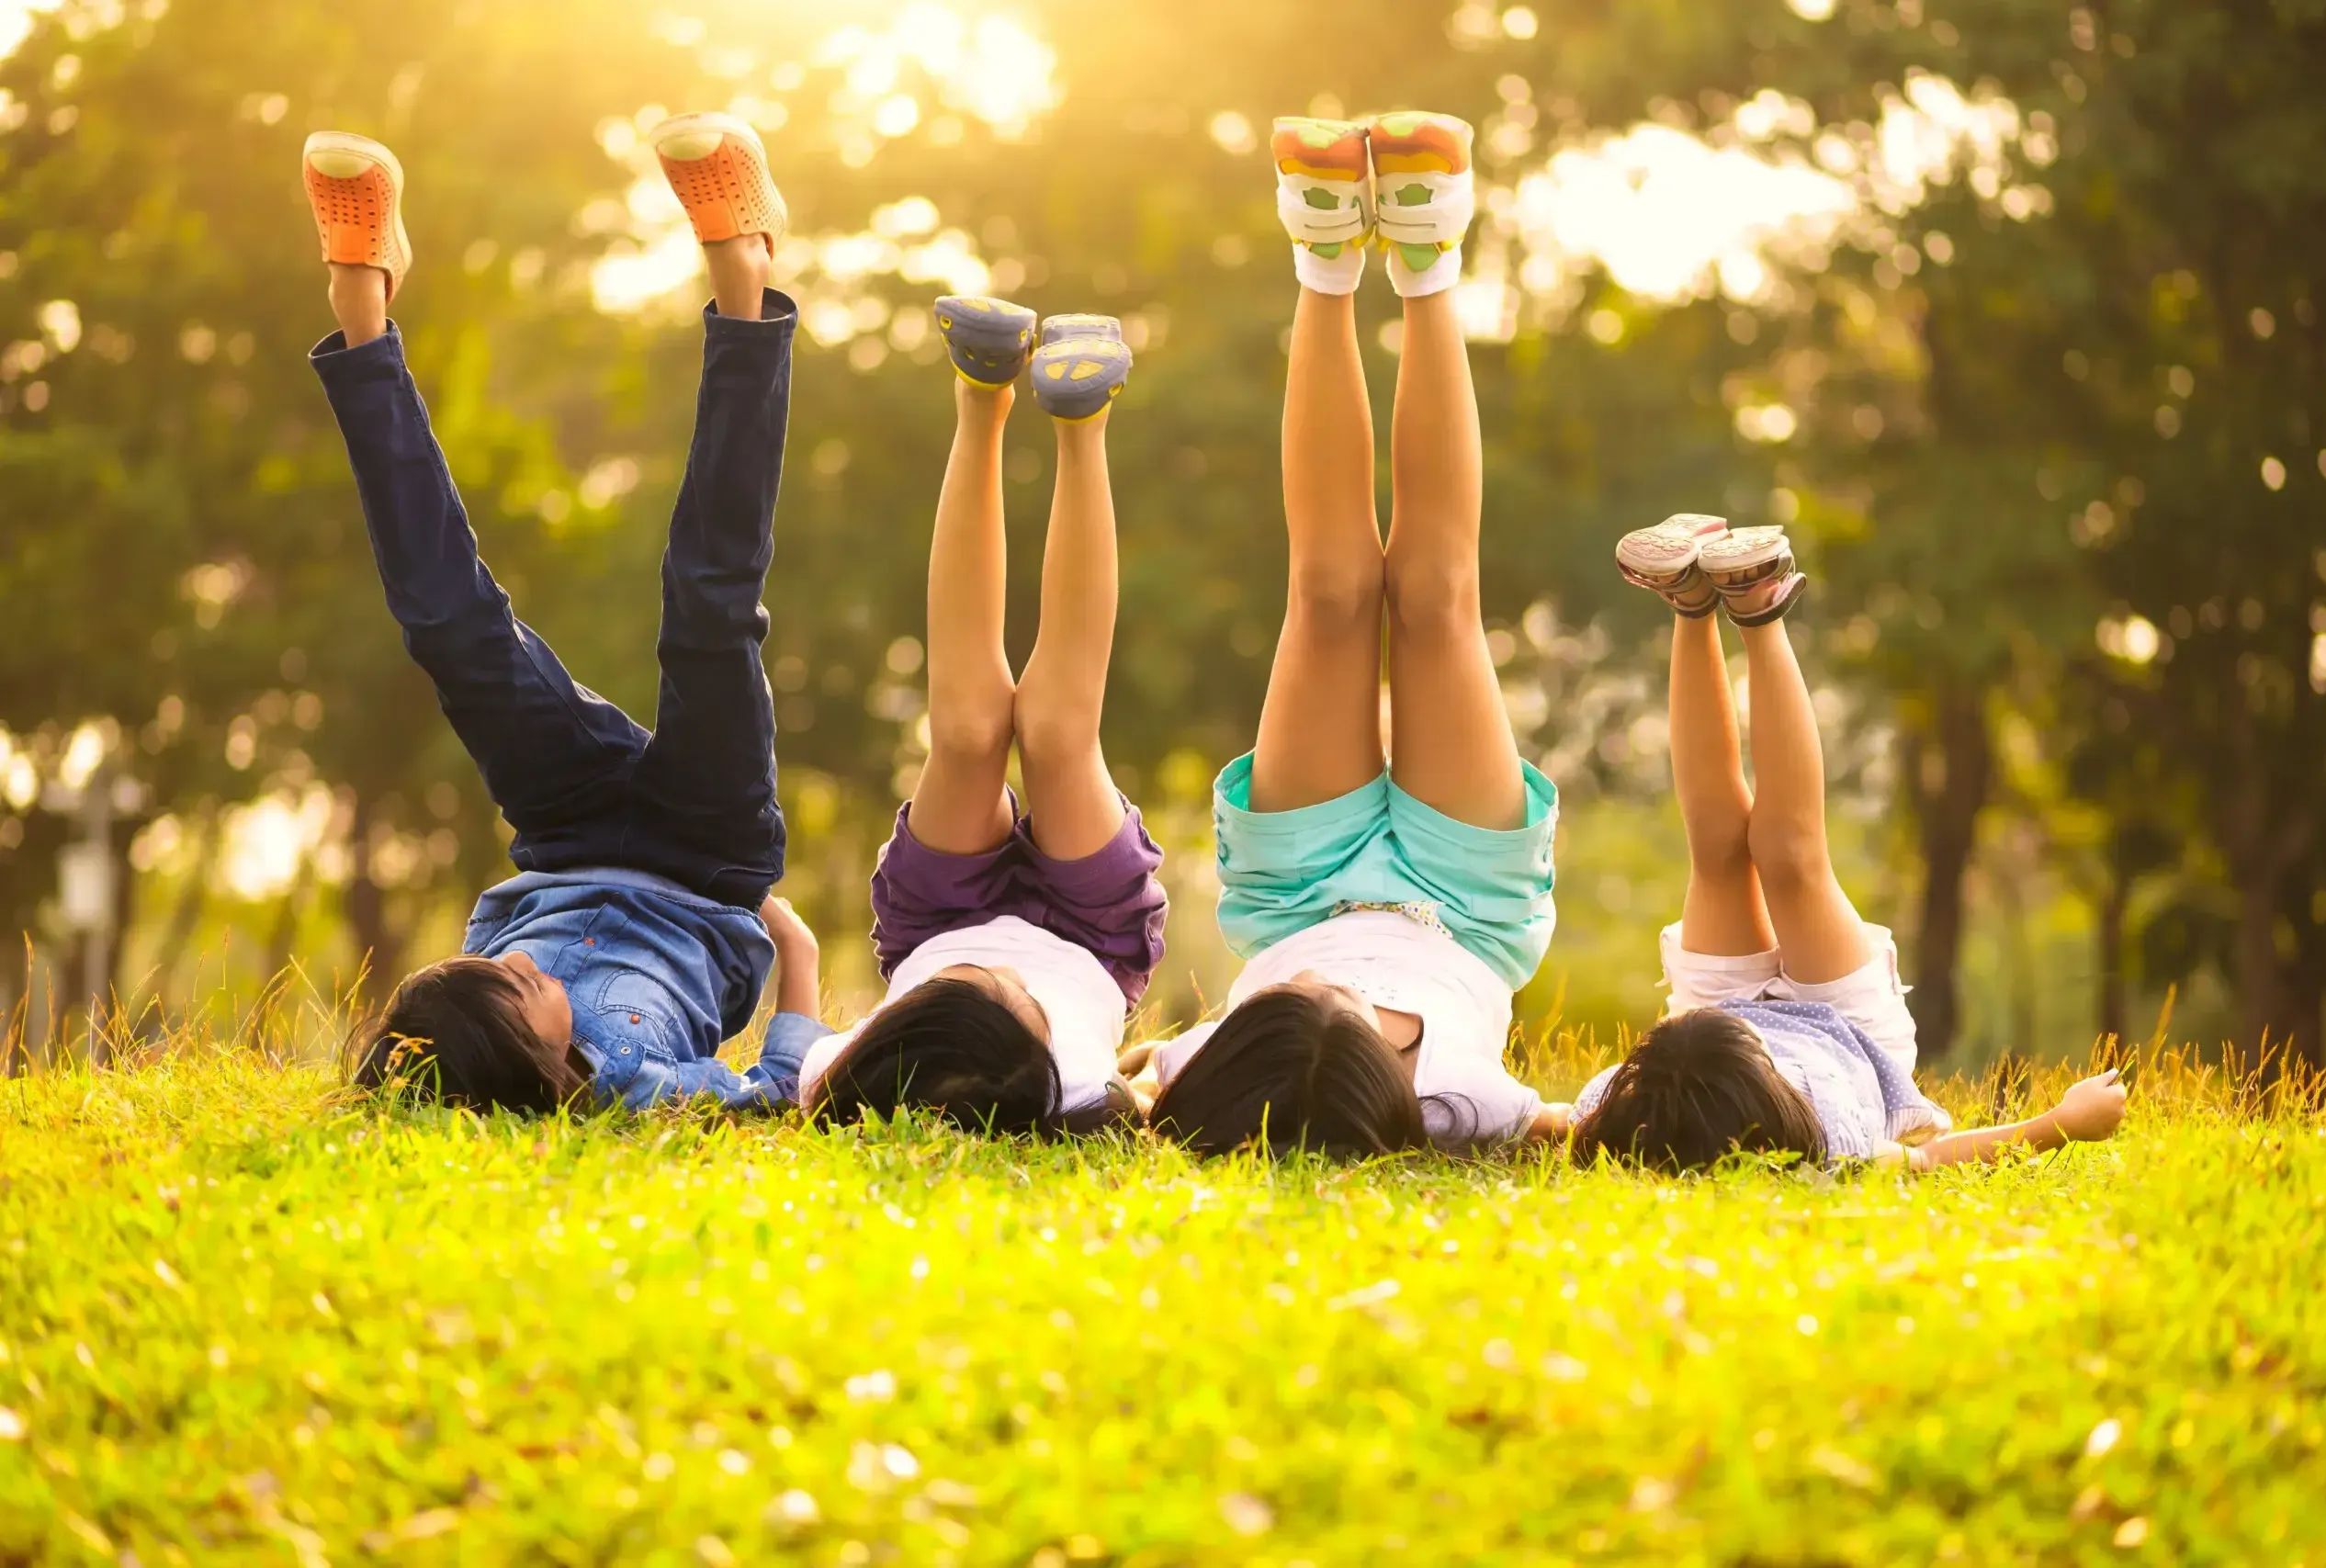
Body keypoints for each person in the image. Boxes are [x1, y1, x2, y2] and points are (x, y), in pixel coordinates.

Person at [312, 115, 827, 1112]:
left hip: (565, 830)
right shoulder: (633, 1092)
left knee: (449, 632)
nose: (509, 969)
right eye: (510, 988)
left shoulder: (446, 1050)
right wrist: (794, 949)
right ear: (534, 1060)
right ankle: (745, 279)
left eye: (491, 974)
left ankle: (362, 305)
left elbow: (432, 1041)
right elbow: (775, 1095)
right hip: (710, 853)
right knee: (708, 612)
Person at [1133, 112, 1576, 1156]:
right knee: (1433, 595)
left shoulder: (1195, 1071)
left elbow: (1102, 1084)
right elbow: (1587, 1119)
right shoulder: (1464, 1101)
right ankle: (1426, 259)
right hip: (1466, 906)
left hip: (1293, 896)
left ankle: (1325, 259)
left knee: (1329, 591)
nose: (1336, 1001)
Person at [1569, 516, 2129, 1169]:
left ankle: (1693, 602)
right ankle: (1757, 607)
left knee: (1717, 850)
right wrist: (2062, 1122)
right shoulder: (1829, 1142)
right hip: (1847, 1032)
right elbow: (1936, 1159)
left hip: (1701, 1048)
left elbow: (1534, 1122)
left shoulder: (1621, 1112)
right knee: (1789, 858)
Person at [793, 299, 1167, 1135]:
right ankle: (1082, 419)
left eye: (971, 986)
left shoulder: (847, 1072)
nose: (1000, 972)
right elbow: (1147, 1097)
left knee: (965, 734)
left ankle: (982, 391)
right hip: (1091, 934)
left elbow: (785, 1068)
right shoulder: (1073, 1089)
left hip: (936, 916)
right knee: (1057, 734)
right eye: (1014, 1000)